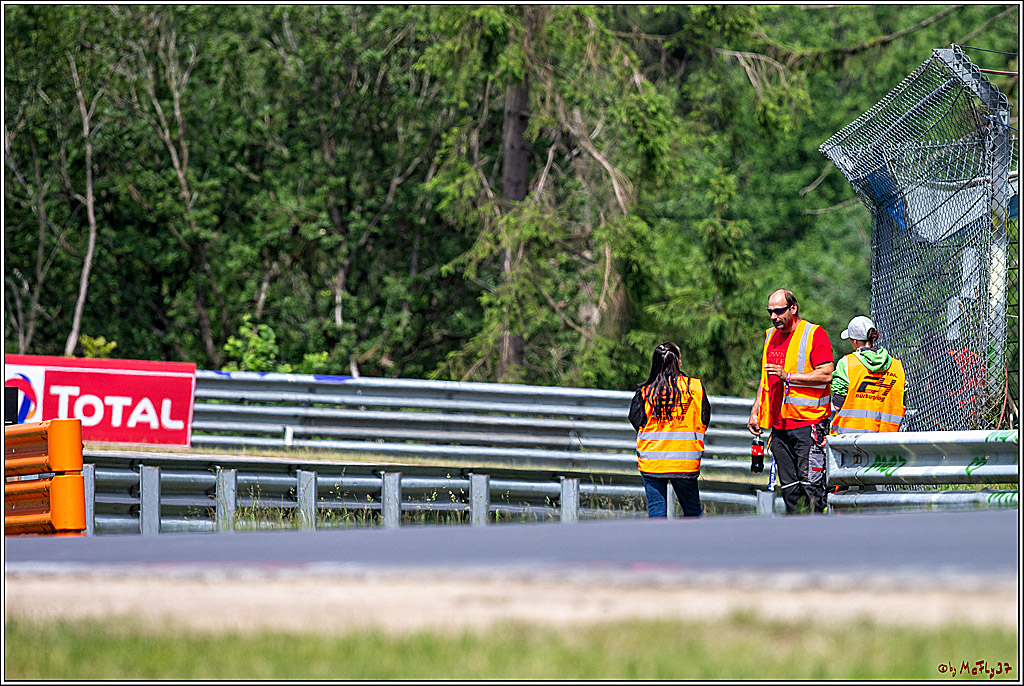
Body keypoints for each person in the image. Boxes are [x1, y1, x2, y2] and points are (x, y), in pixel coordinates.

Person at [746, 289, 834, 514]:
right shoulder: (770, 336)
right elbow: (766, 379)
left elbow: (827, 374)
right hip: (779, 427)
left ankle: (817, 531)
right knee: (790, 491)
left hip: (808, 425)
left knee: (811, 488)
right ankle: (795, 532)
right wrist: (756, 410)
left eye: (779, 311)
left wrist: (789, 377)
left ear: (793, 308)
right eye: (770, 312)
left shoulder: (814, 334)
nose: (773, 316)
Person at [629, 341, 711, 518]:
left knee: (657, 514)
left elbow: (635, 420)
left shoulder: (645, 392)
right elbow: (705, 418)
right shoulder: (695, 388)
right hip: (685, 461)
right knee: (693, 515)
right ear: (678, 363)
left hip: (653, 463)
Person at [830, 316, 906, 435]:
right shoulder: (897, 366)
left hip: (848, 438)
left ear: (855, 340)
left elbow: (838, 404)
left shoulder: (847, 363)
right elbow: (902, 401)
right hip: (887, 438)